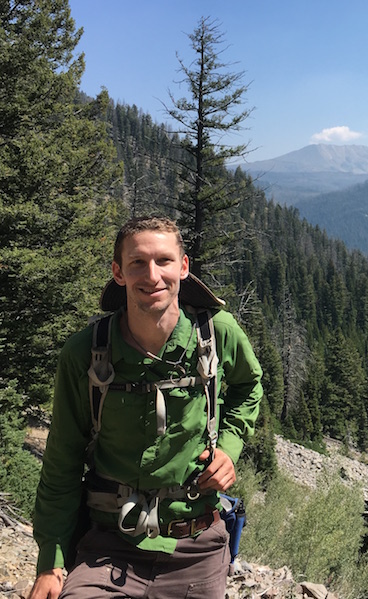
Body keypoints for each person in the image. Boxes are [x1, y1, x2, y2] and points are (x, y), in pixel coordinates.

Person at [28, 216, 263, 599]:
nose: (152, 275)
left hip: (197, 544)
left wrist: (230, 447)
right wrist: (52, 562)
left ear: (183, 267)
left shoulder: (217, 333)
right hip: (107, 546)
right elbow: (62, 462)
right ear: (118, 273)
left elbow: (249, 385)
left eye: (164, 261)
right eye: (137, 262)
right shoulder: (85, 353)